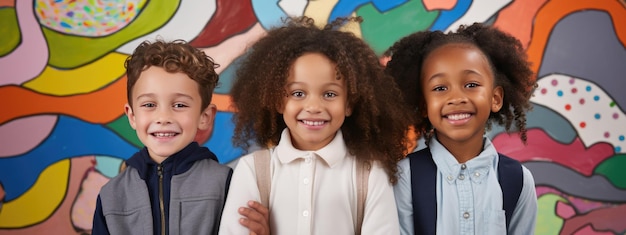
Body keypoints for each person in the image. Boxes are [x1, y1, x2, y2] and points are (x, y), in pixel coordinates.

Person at [218, 16, 413, 234]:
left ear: (349, 104)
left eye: (329, 94)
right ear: (278, 101)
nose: (313, 106)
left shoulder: (369, 175)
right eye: (298, 93)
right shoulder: (253, 170)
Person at [385, 23, 538, 235]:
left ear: (495, 98)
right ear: (423, 105)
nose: (456, 98)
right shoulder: (404, 177)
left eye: (471, 84)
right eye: (440, 88)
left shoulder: (518, 180)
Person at [92, 39, 235, 235]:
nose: (163, 118)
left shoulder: (225, 183)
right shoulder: (112, 195)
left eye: (179, 105)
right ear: (132, 116)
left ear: (205, 117)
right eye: (149, 105)